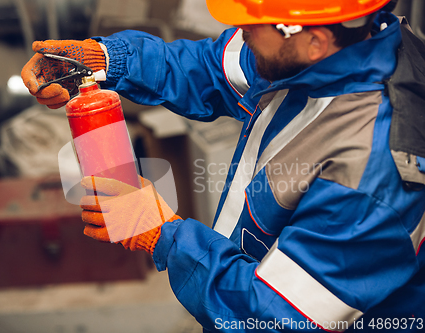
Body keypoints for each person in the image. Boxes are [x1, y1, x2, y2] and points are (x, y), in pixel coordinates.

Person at [21, 0, 425, 331]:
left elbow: (277, 318)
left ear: (314, 39)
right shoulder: (328, 50)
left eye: (253, 25)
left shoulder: (372, 172)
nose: (241, 32)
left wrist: (163, 235)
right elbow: (212, 67)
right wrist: (104, 60)